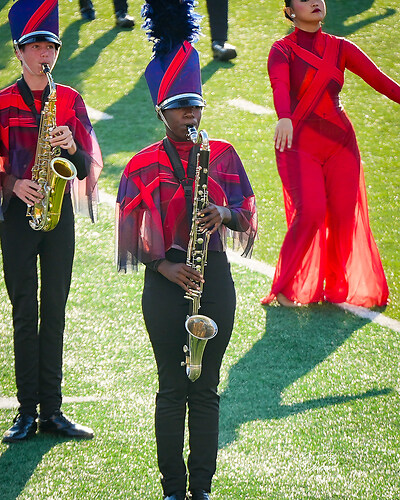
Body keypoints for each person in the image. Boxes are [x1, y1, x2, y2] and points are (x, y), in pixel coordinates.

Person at [116, 2, 257, 498]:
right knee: (172, 389)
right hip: (165, 284)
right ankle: (173, 487)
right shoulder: (141, 164)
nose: (190, 113)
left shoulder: (221, 154)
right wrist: (163, 265)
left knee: (207, 389)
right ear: (161, 111)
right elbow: (129, 232)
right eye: (179, 106)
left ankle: (202, 487)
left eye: (195, 104)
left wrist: (224, 214)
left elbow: (246, 210)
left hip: (213, 279)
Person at [0, 0, 103, 443]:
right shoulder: (2, 102)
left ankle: (53, 411)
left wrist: (71, 146)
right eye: (37, 47)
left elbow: (83, 168)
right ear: (19, 51)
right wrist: (12, 183)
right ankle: (26, 411)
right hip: (16, 218)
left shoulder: (70, 100)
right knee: (25, 311)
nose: (46, 54)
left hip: (57, 216)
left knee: (55, 310)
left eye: (52, 47)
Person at [261, 0, 400, 308]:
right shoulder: (281, 50)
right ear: (290, 12)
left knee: (343, 216)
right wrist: (283, 117)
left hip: (341, 144)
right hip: (297, 144)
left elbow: (380, 81)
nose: (315, 1)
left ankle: (336, 286)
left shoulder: (341, 48)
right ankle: (286, 286)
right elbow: (279, 85)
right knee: (311, 212)